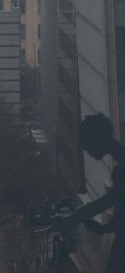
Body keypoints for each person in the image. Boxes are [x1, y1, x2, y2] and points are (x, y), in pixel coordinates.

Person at [48, 113, 125, 273]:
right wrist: (105, 229)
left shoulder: (121, 171)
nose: (87, 151)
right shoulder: (120, 168)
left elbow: (105, 202)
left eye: (87, 145)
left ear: (96, 140)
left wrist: (70, 220)